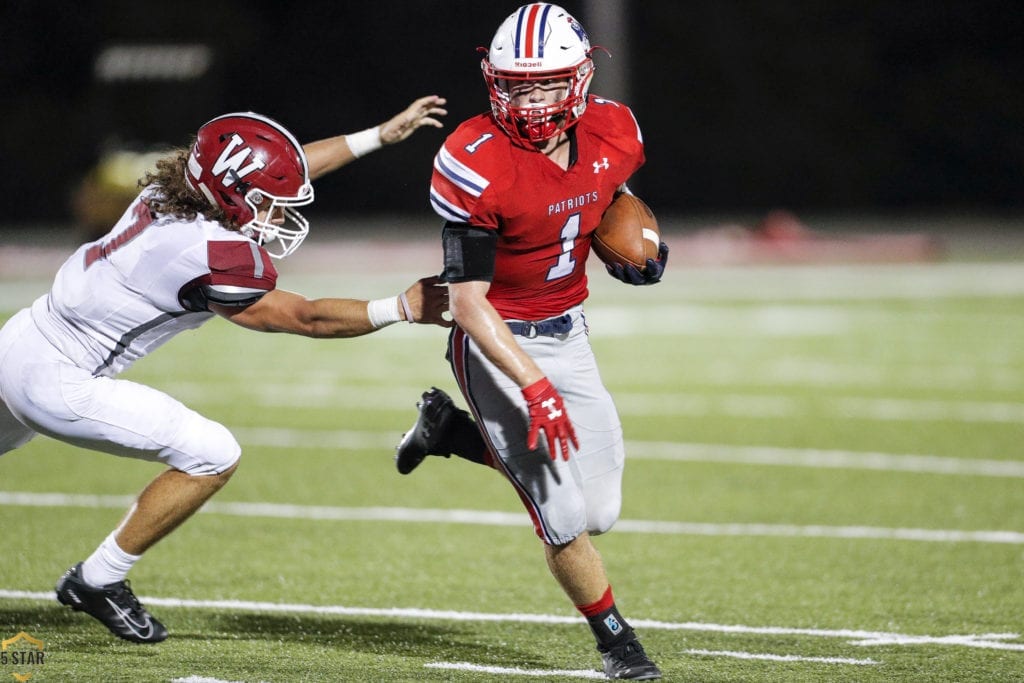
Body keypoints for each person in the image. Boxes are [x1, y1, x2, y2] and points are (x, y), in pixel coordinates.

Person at [0, 96, 451, 644]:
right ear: (230, 194)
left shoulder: (167, 191)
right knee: (212, 454)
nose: (280, 214)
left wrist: (376, 135)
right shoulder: (214, 253)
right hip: (59, 381)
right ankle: (98, 578)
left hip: (19, 341)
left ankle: (97, 580)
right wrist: (399, 308)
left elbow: (285, 169)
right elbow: (305, 319)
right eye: (269, 203)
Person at [394, 6, 668, 680]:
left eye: (547, 84)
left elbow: (604, 192)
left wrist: (632, 243)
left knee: (602, 508)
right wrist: (534, 386)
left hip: (569, 328)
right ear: (494, 82)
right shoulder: (473, 157)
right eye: (518, 86)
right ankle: (616, 642)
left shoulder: (615, 129)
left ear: (579, 80)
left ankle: (451, 433)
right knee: (564, 513)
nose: (533, 100)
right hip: (495, 340)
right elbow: (466, 302)